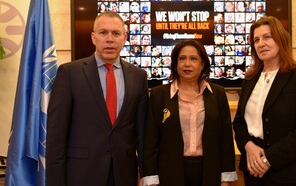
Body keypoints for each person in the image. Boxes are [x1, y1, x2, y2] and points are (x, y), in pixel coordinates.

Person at [46, 11, 149, 186]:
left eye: (116, 33)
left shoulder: (138, 76)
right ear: (94, 38)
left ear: (125, 38)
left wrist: (147, 176)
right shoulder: (70, 73)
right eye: (103, 33)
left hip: (123, 175)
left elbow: (142, 133)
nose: (110, 39)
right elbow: (56, 135)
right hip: (81, 175)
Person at [232, 16, 296, 186]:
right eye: (256, 40)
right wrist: (249, 146)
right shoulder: (249, 80)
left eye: (267, 37)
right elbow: (239, 123)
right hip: (253, 170)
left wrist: (268, 159)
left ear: (280, 39)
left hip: (289, 173)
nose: (261, 44)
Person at [143, 39, 238, 186]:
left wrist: (226, 177)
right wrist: (151, 178)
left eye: (193, 58)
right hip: (169, 172)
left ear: (203, 64)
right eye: (182, 58)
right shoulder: (158, 95)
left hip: (209, 172)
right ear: (175, 64)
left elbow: (225, 138)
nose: (187, 64)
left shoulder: (218, 94)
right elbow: (151, 141)